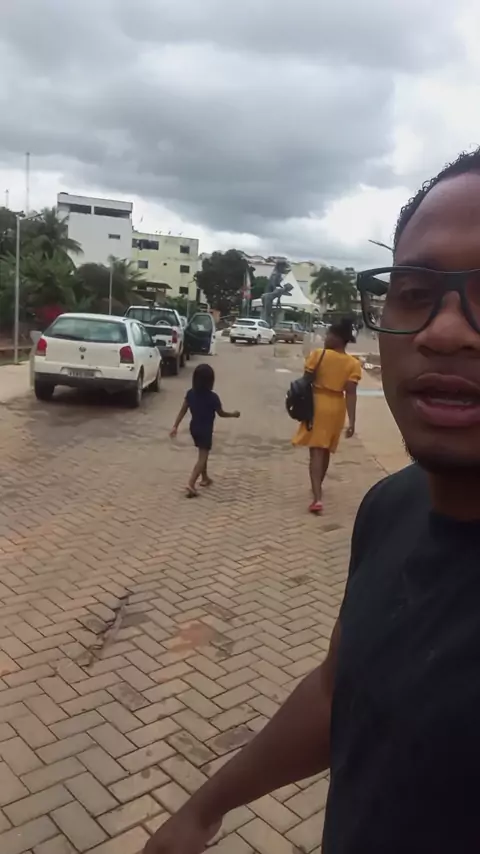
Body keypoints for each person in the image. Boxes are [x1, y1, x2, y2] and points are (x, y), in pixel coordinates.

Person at [146, 149, 480, 854]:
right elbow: (338, 690)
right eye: (414, 291)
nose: (443, 330)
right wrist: (206, 807)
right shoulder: (391, 508)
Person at [292, 318, 361, 513]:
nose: (326, 337)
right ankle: (318, 487)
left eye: (329, 334)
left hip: (318, 404)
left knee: (316, 452)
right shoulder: (353, 364)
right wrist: (352, 421)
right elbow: (351, 393)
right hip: (337, 407)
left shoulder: (318, 355)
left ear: (338, 338)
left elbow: (306, 379)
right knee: (326, 450)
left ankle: (317, 498)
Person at [170, 363, 240, 496]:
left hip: (194, 428)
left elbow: (182, 410)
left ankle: (205, 478)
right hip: (205, 430)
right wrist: (233, 414)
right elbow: (221, 413)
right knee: (202, 457)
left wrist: (175, 426)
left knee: (203, 452)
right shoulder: (213, 397)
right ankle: (191, 484)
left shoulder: (190, 394)